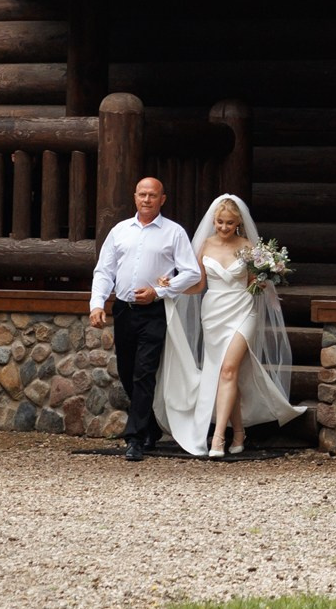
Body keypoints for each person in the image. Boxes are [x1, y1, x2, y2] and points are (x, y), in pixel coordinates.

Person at [154, 193, 301, 458]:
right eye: (220, 222)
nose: (223, 227)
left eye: (229, 223)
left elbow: (254, 285)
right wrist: (171, 288)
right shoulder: (205, 245)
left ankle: (218, 438)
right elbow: (198, 285)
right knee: (225, 373)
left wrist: (266, 277)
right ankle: (239, 431)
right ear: (214, 220)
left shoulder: (248, 248)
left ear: (238, 224)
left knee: (229, 369)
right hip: (213, 313)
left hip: (243, 311)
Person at [88, 176, 198, 461]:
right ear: (135, 197)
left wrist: (159, 290)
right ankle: (149, 426)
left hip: (155, 311)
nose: (147, 199)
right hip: (124, 309)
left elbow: (192, 273)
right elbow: (104, 270)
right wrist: (97, 303)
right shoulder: (120, 231)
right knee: (126, 370)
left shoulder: (174, 232)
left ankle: (134, 438)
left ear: (162, 199)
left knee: (144, 371)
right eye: (142, 194)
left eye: (153, 195)